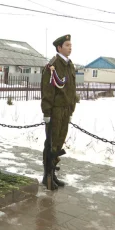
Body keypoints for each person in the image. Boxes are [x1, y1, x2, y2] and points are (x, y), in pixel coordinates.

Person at [40, 34, 77, 189]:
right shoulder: (53, 66)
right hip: (55, 110)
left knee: (60, 142)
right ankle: (47, 176)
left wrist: (71, 109)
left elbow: (71, 89)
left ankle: (53, 173)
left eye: (70, 45)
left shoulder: (70, 65)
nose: (70, 47)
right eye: (67, 45)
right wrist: (47, 112)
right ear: (59, 47)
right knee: (51, 143)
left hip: (66, 109)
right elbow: (47, 90)